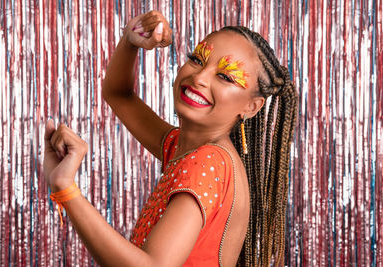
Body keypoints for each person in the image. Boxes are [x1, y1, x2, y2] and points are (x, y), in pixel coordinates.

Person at [44, 10, 297, 267]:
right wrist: (131, 41)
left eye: (225, 76)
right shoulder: (183, 146)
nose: (199, 78)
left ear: (252, 107)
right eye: (197, 59)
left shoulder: (208, 162)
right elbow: (118, 94)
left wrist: (66, 188)